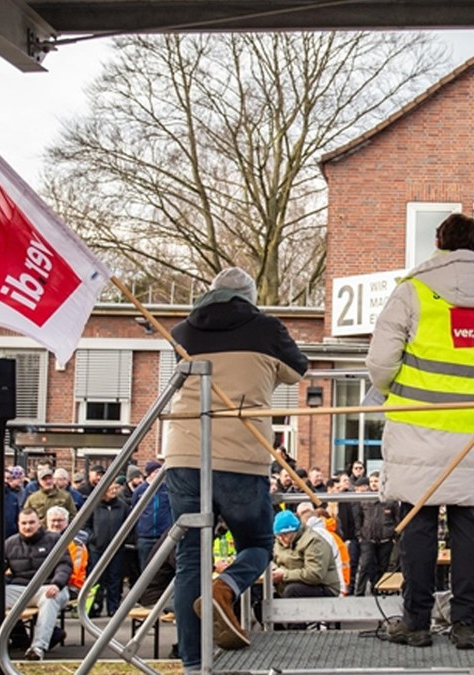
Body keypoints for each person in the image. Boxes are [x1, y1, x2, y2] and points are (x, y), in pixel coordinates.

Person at [365, 213, 474, 651]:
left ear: (438, 242)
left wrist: (390, 389)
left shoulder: (412, 291)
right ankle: (466, 622)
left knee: (418, 526)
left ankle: (416, 622)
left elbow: (380, 362)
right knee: (470, 527)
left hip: (418, 428)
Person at [163, 266, 309, 666]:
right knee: (258, 545)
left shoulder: (182, 333)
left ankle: (193, 663)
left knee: (191, 559)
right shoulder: (267, 329)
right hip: (241, 454)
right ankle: (225, 588)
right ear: (251, 297)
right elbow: (298, 370)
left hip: (184, 453)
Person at [0, 508, 72, 662]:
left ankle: (38, 647)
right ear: (18, 524)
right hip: (21, 589)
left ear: (39, 523)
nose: (27, 527)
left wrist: (57, 584)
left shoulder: (54, 539)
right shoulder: (11, 543)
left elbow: (65, 565)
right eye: (24, 523)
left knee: (49, 599)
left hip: (49, 586)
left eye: (31, 523)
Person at [87, 480, 130, 617]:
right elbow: (85, 525)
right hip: (97, 548)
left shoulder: (122, 506)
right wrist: (93, 537)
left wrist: (123, 539)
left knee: (114, 579)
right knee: (97, 579)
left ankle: (113, 607)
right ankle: (95, 606)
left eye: (116, 488)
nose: (114, 491)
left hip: (117, 549)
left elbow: (129, 524)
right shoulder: (93, 506)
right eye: (111, 489)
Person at [353, 472, 399, 596]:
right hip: (368, 538)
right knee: (365, 565)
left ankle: (378, 590)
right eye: (372, 481)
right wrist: (359, 535)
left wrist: (394, 535)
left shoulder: (390, 500)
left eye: (376, 481)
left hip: (386, 539)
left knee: (383, 566)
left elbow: (397, 518)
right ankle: (359, 592)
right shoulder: (364, 499)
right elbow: (358, 519)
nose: (374, 484)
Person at [133, 460, 172, 570]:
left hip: (162, 535)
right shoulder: (140, 491)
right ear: (149, 473)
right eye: (156, 471)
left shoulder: (166, 489)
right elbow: (135, 511)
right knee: (145, 567)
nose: (159, 474)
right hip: (145, 536)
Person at [46, 505, 90, 601]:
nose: (56, 524)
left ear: (66, 522)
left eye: (60, 520)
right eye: (53, 520)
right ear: (47, 522)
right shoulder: (41, 542)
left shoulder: (76, 545)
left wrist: (56, 584)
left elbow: (76, 573)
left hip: (70, 586)